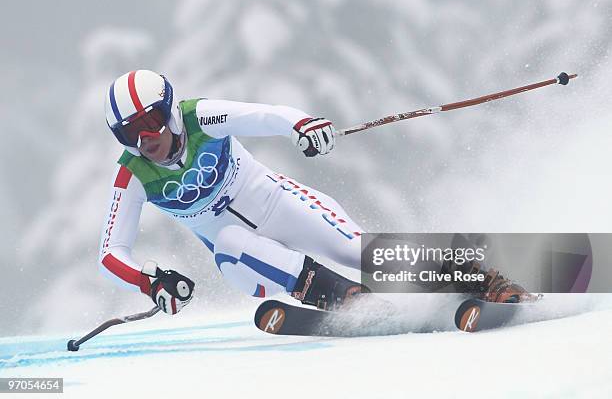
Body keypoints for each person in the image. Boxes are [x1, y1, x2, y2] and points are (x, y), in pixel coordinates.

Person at [99, 70, 532, 315]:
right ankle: (345, 299)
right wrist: (151, 282)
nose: (144, 140)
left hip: (277, 202)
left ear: (171, 111)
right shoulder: (134, 173)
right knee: (228, 242)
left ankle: (480, 279)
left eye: (150, 122)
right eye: (129, 133)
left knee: (359, 250)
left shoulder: (201, 118)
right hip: (248, 266)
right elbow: (111, 250)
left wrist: (303, 125)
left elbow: (268, 116)